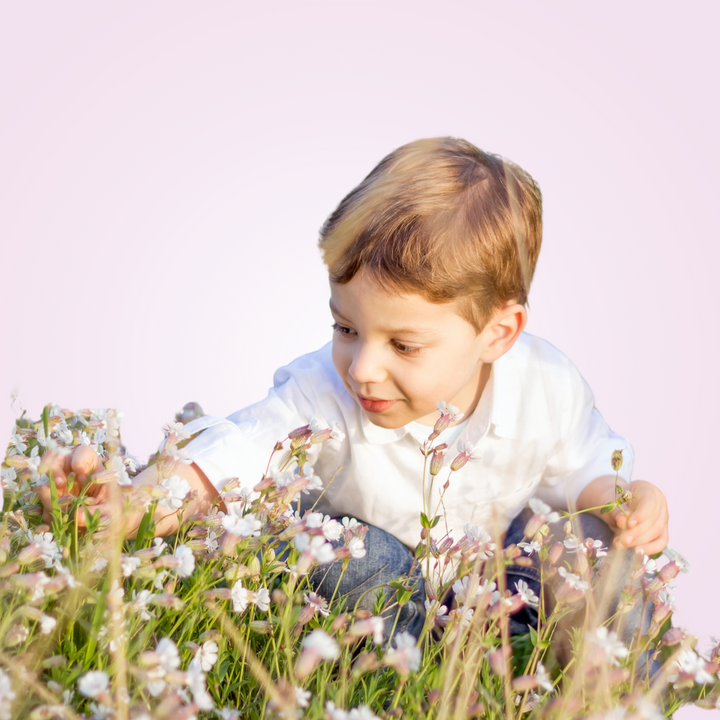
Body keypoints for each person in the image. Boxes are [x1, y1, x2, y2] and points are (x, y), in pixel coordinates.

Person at [39, 137, 669, 638]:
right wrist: (135, 504)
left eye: (404, 345)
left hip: (494, 586)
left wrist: (628, 501)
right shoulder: (323, 391)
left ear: (498, 334)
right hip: (385, 594)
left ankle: (603, 692)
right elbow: (237, 452)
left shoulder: (545, 384)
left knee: (582, 553)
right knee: (361, 558)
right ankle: (410, 678)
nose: (362, 367)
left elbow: (587, 469)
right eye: (346, 326)